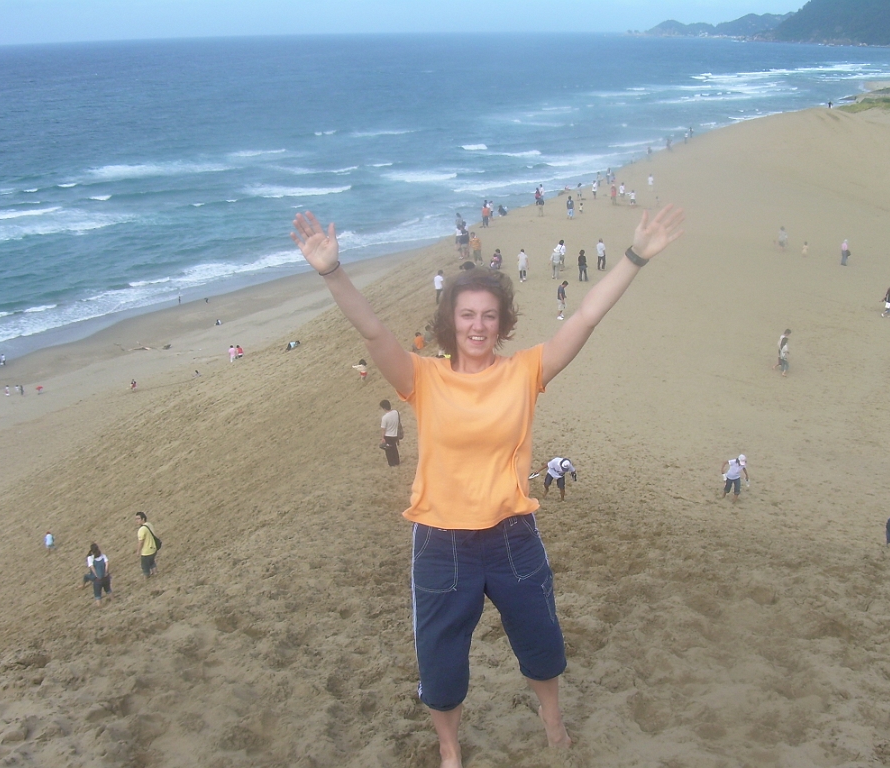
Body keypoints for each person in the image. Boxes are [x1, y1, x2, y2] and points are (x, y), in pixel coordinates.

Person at [290, 203, 685, 767]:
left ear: (503, 323)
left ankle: (552, 720)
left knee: (542, 641)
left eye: (489, 316)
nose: (477, 325)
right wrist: (332, 270)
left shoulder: (525, 372)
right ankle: (449, 748)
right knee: (441, 660)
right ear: (449, 321)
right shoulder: (421, 377)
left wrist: (635, 256)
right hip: (439, 542)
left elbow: (586, 318)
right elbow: (372, 329)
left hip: (511, 536)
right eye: (467, 314)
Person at [135, 512, 158, 577]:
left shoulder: (141, 529)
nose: (136, 521)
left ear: (143, 519)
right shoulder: (149, 525)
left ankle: (147, 580)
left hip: (146, 552)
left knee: (145, 567)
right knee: (152, 562)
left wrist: (138, 551)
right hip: (153, 549)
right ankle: (156, 574)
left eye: (138, 519)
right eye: (136, 519)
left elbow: (141, 542)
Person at [380, 400, 401, 466]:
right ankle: (397, 461)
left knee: (389, 451)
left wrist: (383, 438)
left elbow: (383, 429)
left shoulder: (385, 418)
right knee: (394, 448)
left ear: (384, 408)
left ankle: (392, 463)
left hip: (388, 435)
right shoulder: (395, 412)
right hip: (395, 434)